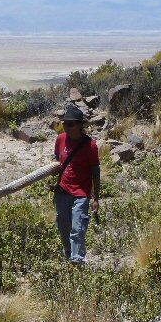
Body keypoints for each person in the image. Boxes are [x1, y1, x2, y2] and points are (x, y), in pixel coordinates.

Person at [53, 103, 100, 265]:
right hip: (63, 191)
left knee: (78, 228)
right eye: (65, 123)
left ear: (80, 125)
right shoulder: (60, 140)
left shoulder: (90, 145)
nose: (67, 127)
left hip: (80, 193)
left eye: (71, 124)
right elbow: (56, 160)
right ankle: (68, 252)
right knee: (62, 224)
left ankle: (77, 260)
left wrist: (96, 198)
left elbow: (95, 172)